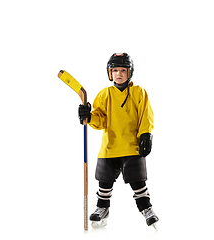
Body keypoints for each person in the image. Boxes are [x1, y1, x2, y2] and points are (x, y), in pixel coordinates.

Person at [78, 53, 158, 228]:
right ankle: (102, 208)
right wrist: (89, 117)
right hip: (110, 147)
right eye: (115, 70)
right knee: (104, 181)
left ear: (130, 72)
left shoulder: (139, 92)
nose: (119, 74)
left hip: (131, 146)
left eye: (123, 70)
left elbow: (146, 115)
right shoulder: (104, 94)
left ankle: (147, 209)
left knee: (138, 181)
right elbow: (100, 119)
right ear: (109, 73)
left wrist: (146, 134)